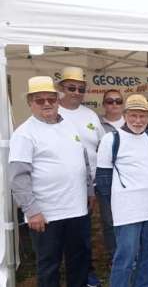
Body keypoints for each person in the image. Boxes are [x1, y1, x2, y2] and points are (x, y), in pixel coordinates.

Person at [9, 76, 91, 286]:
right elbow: (18, 177)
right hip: (46, 213)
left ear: (57, 100)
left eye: (50, 99)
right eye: (39, 100)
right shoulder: (24, 134)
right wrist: (32, 210)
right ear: (30, 103)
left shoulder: (69, 125)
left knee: (79, 261)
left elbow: (83, 160)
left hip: (77, 209)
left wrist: (89, 192)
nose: (46, 104)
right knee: (49, 265)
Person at [96, 94, 148, 286]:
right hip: (127, 211)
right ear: (125, 115)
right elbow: (103, 180)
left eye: (142, 116)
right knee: (125, 257)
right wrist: (117, 204)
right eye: (133, 115)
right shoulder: (111, 139)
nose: (138, 120)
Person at [57, 66, 104, 286]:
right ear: (61, 88)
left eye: (81, 88)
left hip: (91, 185)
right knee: (61, 234)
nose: (76, 92)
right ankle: (61, 272)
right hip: (62, 185)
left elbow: (102, 146)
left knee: (87, 234)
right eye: (71, 87)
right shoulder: (52, 112)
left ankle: (86, 272)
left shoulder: (90, 114)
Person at [97, 89, 125, 261]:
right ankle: (115, 257)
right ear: (103, 104)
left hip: (128, 182)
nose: (114, 104)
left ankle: (131, 256)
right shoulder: (95, 123)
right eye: (110, 101)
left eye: (118, 101)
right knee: (109, 221)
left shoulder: (132, 122)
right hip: (106, 179)